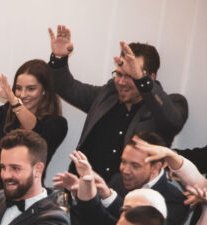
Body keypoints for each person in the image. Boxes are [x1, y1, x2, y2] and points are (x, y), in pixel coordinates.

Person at [47, 26, 188, 184]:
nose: (121, 82)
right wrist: (59, 59)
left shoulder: (171, 105)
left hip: (128, 201)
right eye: (119, 74)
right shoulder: (107, 94)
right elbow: (68, 87)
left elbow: (172, 120)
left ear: (150, 78)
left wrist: (142, 82)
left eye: (130, 76)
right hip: (83, 191)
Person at [0, 60, 67, 179]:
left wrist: (14, 101)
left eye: (31, 89)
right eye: (18, 88)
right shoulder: (11, 111)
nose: (23, 95)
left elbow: (35, 129)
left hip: (23, 189)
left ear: (44, 90)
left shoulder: (57, 124)